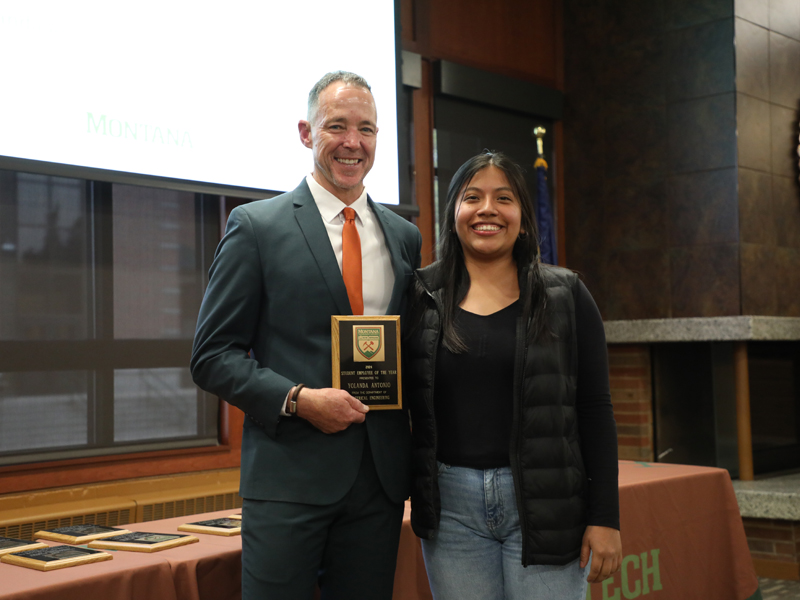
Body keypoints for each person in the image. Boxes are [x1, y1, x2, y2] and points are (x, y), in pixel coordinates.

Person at [191, 71, 422, 600]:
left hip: (379, 484)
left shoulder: (404, 237)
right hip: (289, 480)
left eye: (366, 129)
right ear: (305, 132)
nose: (352, 142)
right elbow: (211, 356)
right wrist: (297, 400)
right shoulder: (257, 227)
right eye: (335, 126)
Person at [404, 151, 621, 599]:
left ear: (522, 218)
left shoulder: (568, 295)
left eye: (503, 198)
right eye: (472, 197)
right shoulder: (421, 295)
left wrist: (605, 517)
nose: (487, 209)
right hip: (451, 511)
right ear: (455, 214)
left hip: (548, 504)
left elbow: (595, 411)